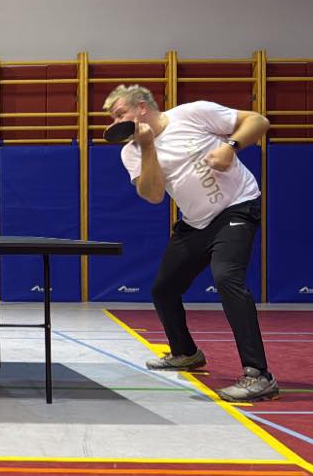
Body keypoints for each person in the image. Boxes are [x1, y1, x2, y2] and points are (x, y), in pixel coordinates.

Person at [103, 84, 278, 402]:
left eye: (119, 114)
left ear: (141, 107)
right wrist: (148, 148)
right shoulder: (131, 151)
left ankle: (259, 375)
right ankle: (185, 353)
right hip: (196, 223)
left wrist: (231, 147)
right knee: (164, 289)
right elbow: (154, 195)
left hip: (237, 206)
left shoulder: (191, 113)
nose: (116, 123)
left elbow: (258, 121)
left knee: (227, 278)